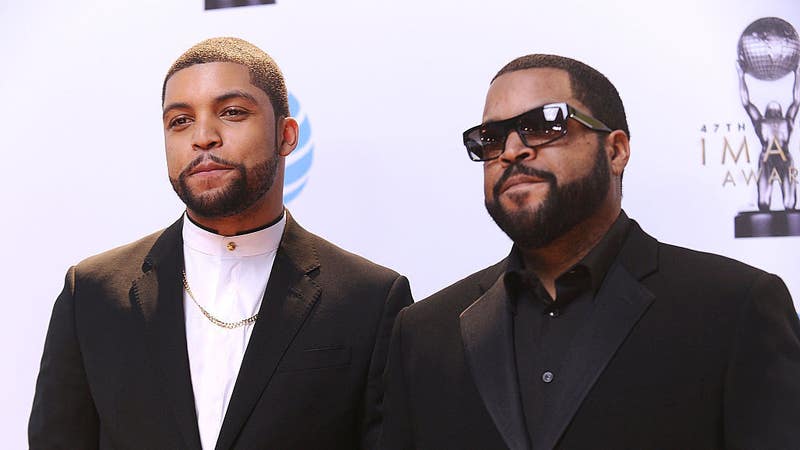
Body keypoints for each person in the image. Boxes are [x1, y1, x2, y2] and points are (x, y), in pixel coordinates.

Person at [379, 54, 800, 450]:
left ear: (615, 151)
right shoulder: (424, 333)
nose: (511, 151)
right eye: (490, 139)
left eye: (544, 124)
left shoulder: (734, 307)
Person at [29, 37, 412, 450]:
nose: (203, 137)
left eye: (232, 112)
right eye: (180, 121)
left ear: (286, 135)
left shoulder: (370, 299)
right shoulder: (92, 293)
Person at [737, 62, 800, 211]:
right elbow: (746, 103)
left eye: (776, 110)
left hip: (784, 159)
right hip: (767, 159)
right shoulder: (762, 122)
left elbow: (797, 100)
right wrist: (741, 75)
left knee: (790, 204)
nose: (774, 110)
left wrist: (797, 73)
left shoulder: (786, 121)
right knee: (763, 203)